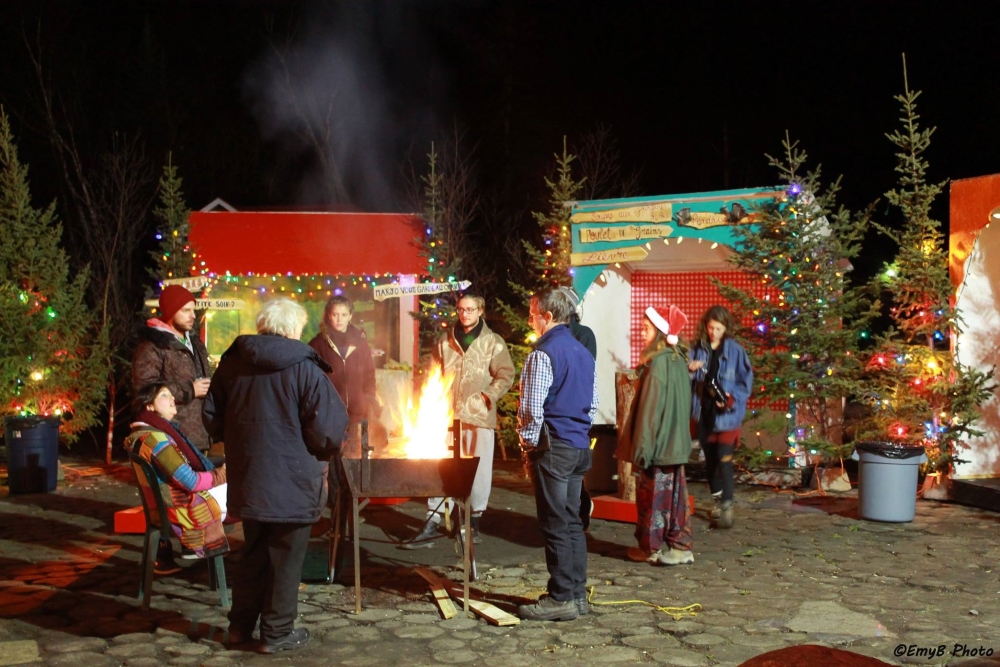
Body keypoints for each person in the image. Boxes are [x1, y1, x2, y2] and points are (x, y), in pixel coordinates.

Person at [204, 298, 348, 654]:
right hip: (294, 481)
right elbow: (328, 431)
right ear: (293, 328)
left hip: (251, 477)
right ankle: (277, 632)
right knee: (286, 557)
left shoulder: (232, 365)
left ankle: (239, 628)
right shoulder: (305, 368)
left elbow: (212, 418)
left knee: (253, 552)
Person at [406, 294, 515, 548]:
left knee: (477, 470)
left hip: (478, 416)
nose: (464, 314)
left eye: (470, 310)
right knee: (438, 466)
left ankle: (472, 522)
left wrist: (488, 396)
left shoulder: (492, 342)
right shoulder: (445, 341)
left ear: (480, 311)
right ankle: (432, 521)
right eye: (461, 310)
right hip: (445, 417)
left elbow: (505, 374)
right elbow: (432, 373)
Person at [517, 288, 599, 622]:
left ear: (548, 316)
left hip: (554, 448)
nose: (531, 320)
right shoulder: (583, 353)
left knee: (555, 523)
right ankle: (576, 594)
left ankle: (561, 596)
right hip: (578, 445)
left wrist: (527, 445)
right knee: (572, 522)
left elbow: (531, 410)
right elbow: (592, 405)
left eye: (533, 313)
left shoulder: (544, 353)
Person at [617, 305, 694, 565]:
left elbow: (650, 412)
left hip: (658, 446)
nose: (641, 332)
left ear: (660, 332)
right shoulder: (678, 359)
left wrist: (642, 450)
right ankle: (680, 546)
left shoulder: (658, 364)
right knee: (676, 498)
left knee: (653, 499)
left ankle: (649, 547)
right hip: (675, 443)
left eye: (646, 328)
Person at [127, 383, 229, 561]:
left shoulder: (143, 433)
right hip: (187, 507)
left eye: (172, 395)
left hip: (169, 504)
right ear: (149, 405)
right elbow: (191, 481)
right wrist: (224, 474)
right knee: (256, 494)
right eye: (164, 395)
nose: (173, 399)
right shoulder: (156, 440)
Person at [688, 305, 753, 529]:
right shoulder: (698, 348)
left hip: (727, 416)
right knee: (710, 461)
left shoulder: (735, 351)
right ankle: (718, 500)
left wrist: (730, 398)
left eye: (718, 328)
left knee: (724, 460)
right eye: (710, 327)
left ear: (726, 328)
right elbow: (684, 378)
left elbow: (745, 383)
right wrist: (690, 368)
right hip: (704, 413)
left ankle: (727, 505)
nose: (713, 332)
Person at [133, 285, 212, 452]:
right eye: (185, 310)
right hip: (173, 437)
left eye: (193, 310)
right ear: (171, 311)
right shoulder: (152, 346)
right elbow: (145, 390)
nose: (193, 316)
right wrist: (190, 390)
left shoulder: (196, 343)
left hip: (201, 435)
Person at [557, 286, 597, 530]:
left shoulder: (583, 334)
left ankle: (578, 515)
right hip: (558, 414)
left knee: (572, 470)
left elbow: (586, 372)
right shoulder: (550, 337)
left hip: (575, 411)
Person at [308, 295, 379, 425]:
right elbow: (310, 379)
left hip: (358, 415)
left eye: (344, 315)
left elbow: (369, 374)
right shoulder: (317, 344)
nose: (340, 319)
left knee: (357, 445)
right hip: (329, 417)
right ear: (329, 315)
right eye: (335, 314)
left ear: (350, 316)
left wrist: (368, 399)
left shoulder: (360, 343)